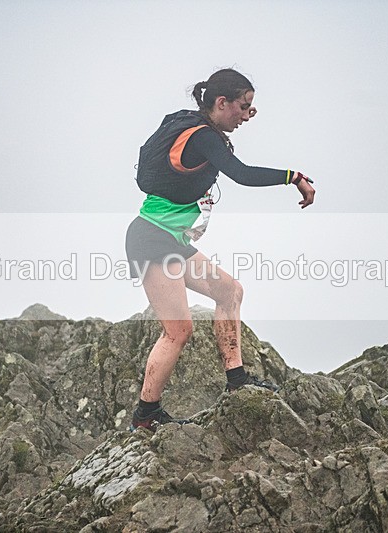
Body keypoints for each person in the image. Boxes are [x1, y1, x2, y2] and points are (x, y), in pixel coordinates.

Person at [125, 68, 316, 432]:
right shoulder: (202, 137)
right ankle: (145, 415)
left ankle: (237, 380)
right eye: (243, 107)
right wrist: (294, 177)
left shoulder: (196, 127)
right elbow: (242, 174)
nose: (246, 116)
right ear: (222, 102)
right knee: (178, 330)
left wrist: (242, 112)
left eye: (251, 109)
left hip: (171, 240)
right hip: (151, 238)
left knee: (230, 292)